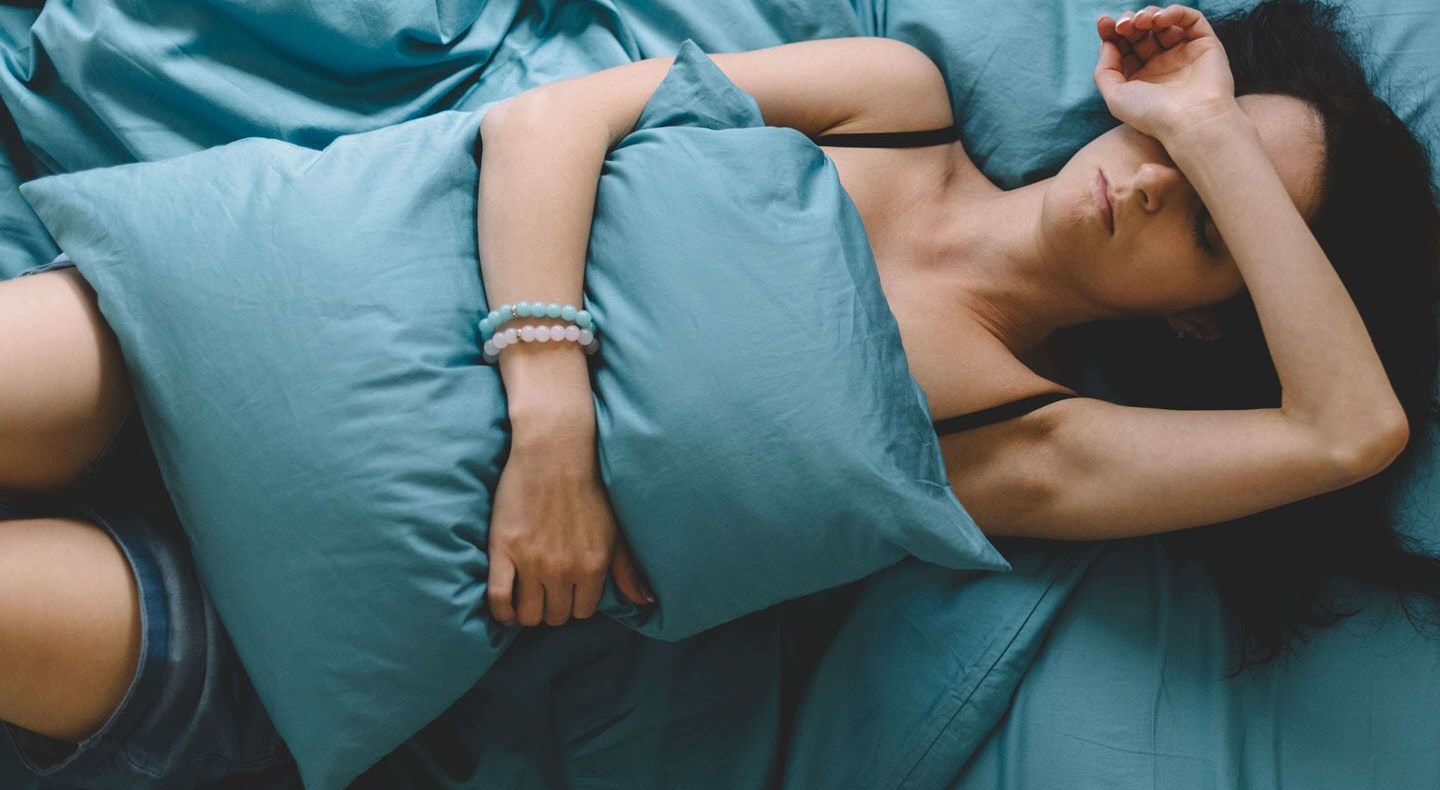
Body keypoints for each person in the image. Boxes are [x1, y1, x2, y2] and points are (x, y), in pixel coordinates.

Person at [0, 1, 1435, 786]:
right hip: (244, 320)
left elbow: (1346, 431)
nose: (1146, 177)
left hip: (280, 621)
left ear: (1206, 321)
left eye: (1208, 215)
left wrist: (1214, 128)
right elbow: (555, 120)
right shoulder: (895, 91)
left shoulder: (1024, 440)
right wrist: (550, 413)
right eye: (1167, 141)